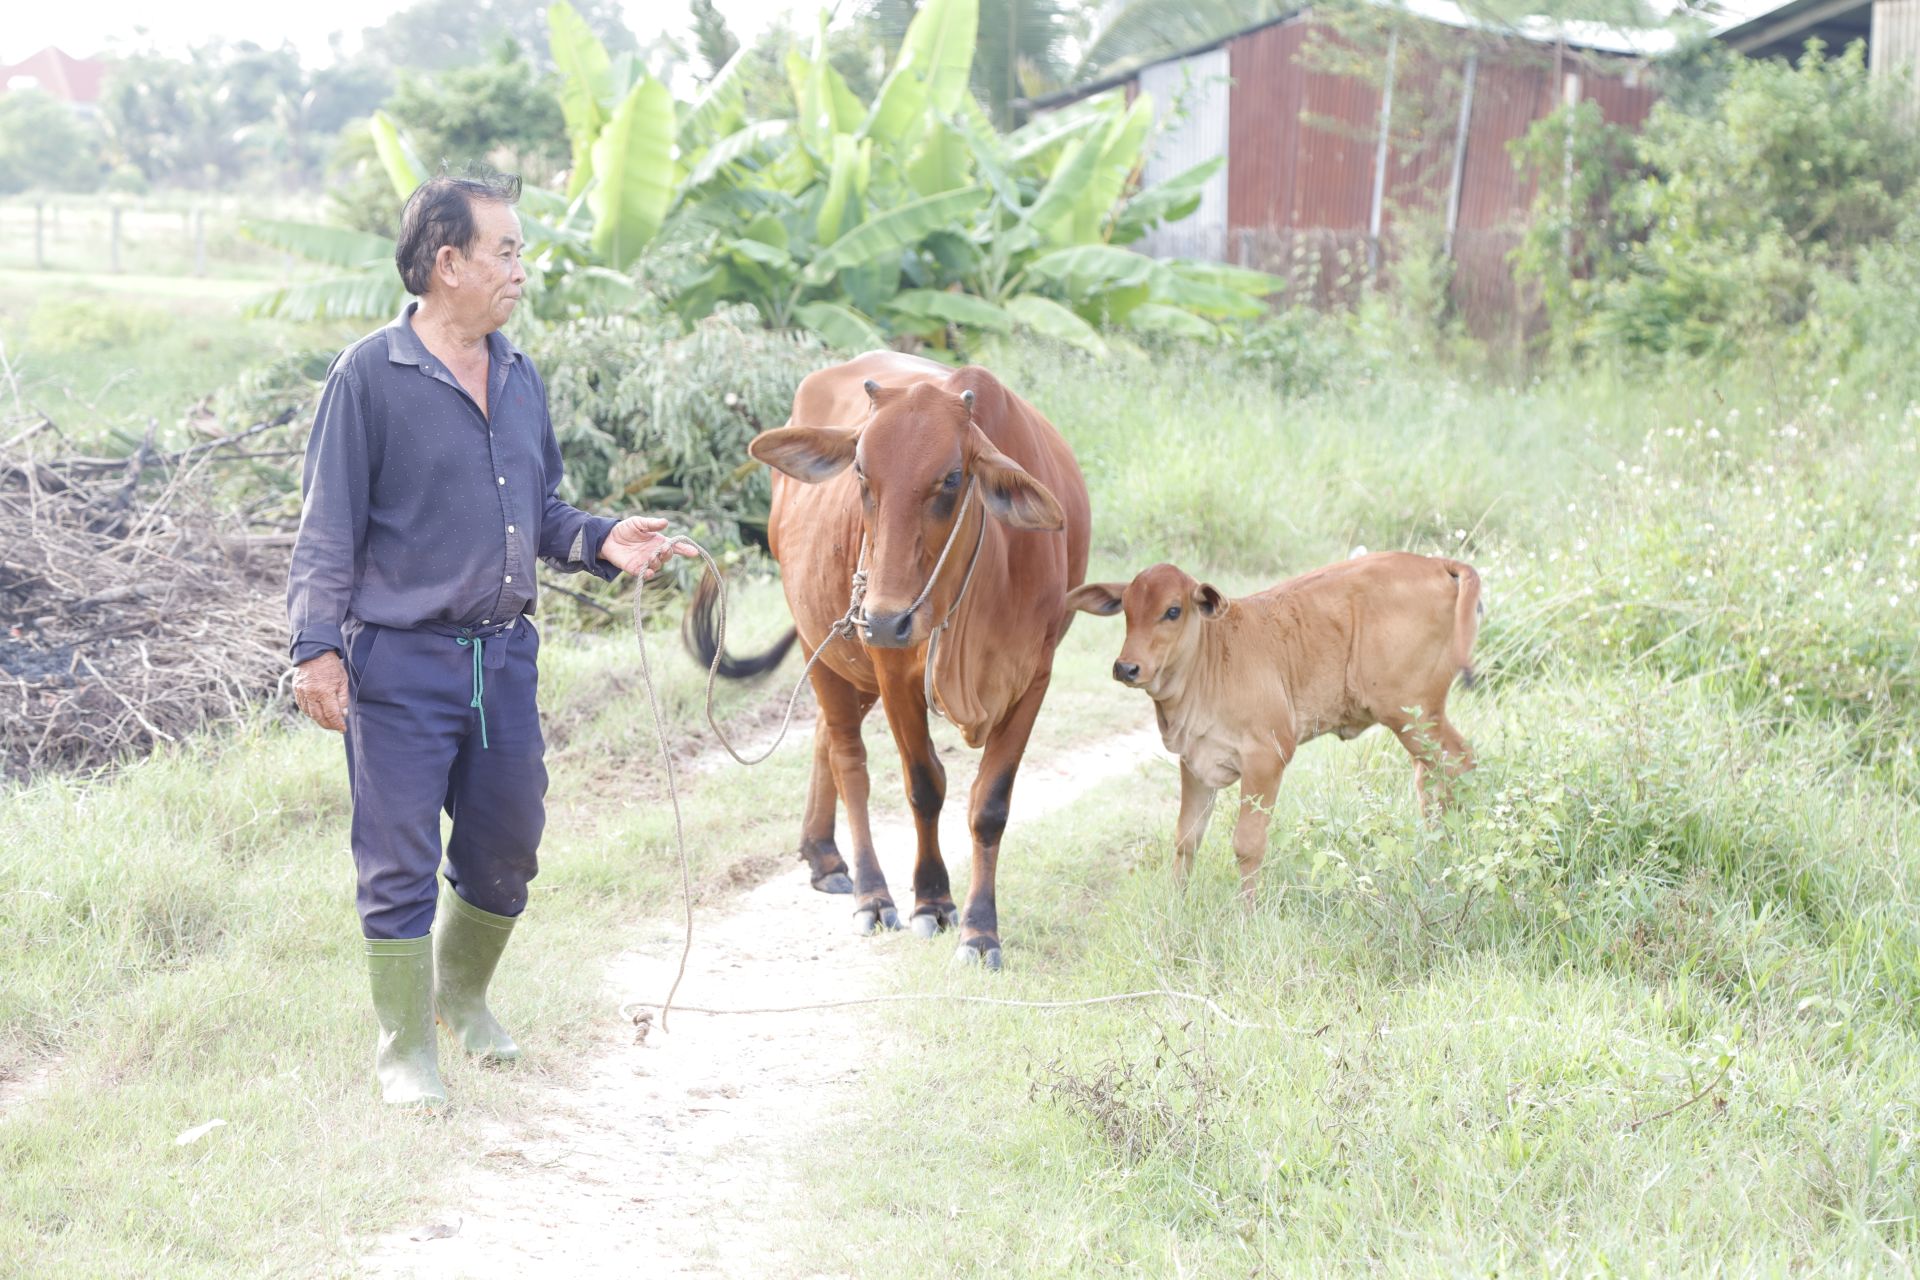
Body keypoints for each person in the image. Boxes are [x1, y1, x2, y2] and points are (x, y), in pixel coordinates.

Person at [286, 174, 694, 1107]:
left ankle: (461, 998)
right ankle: (404, 1050)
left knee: (509, 842)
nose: (520, 270)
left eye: (518, 252)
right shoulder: (369, 376)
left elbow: (538, 510)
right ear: (447, 263)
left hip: (503, 659)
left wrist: (602, 539)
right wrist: (316, 649)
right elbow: (326, 531)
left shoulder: (517, 373)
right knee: (396, 858)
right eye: (504, 251)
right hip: (400, 662)